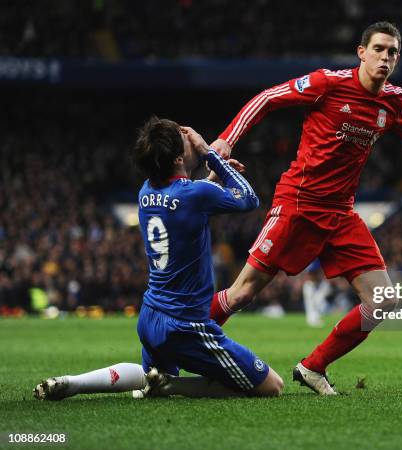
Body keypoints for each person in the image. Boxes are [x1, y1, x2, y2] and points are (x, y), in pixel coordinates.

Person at [207, 21, 402, 395]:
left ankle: (313, 367)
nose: (385, 57)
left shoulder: (393, 100)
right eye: (378, 49)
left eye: (392, 52)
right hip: (299, 204)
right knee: (241, 294)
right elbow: (267, 98)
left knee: (383, 301)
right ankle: (175, 350)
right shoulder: (327, 84)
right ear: (361, 52)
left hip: (341, 214)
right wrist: (226, 139)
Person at [33, 118, 283, 400]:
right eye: (186, 139)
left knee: (146, 375)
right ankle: (171, 385)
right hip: (184, 326)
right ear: (178, 158)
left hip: (150, 316)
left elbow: (183, 200)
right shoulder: (195, 194)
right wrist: (209, 154)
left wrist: (210, 179)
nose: (191, 139)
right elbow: (248, 197)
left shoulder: (146, 192)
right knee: (271, 385)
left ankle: (74, 383)